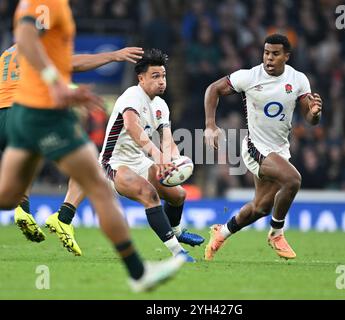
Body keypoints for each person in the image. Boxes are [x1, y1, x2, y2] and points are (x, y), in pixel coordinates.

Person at [0, 0, 185, 292]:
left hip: (16, 111)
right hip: (40, 111)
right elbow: (34, 44)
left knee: (8, 196)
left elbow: (58, 59)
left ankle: (68, 222)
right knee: (97, 183)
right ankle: (138, 273)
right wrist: (57, 83)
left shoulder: (30, 10)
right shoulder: (46, 4)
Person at [0, 44, 145, 255]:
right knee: (87, 162)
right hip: (24, 114)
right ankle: (64, 218)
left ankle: (23, 207)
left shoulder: (7, 54)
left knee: (31, 153)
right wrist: (113, 55)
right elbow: (75, 63)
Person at [203, 34, 322, 260]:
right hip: (255, 148)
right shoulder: (248, 77)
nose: (269, 58)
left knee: (261, 207)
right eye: (266, 53)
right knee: (293, 180)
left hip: (279, 149)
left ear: (286, 56)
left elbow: (309, 117)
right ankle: (277, 233)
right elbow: (213, 89)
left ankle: (221, 232)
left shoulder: (298, 80)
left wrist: (315, 114)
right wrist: (210, 124)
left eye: (275, 54)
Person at [97, 48, 204, 262]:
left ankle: (177, 232)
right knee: (149, 194)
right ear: (141, 78)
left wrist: (174, 160)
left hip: (139, 161)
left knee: (178, 195)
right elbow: (131, 126)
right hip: (114, 163)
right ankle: (178, 252)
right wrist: (157, 156)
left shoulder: (160, 105)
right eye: (155, 76)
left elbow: (167, 139)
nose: (162, 81)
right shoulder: (132, 95)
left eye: (163, 75)